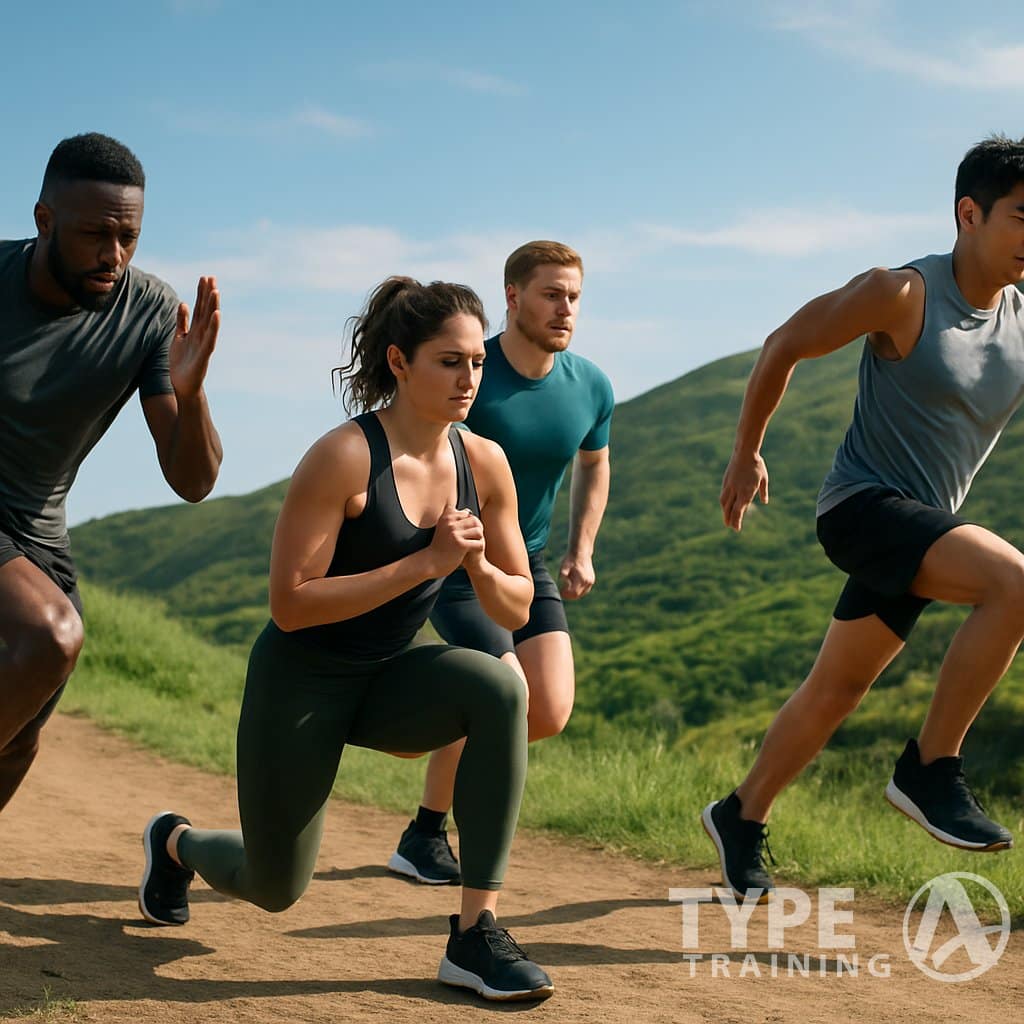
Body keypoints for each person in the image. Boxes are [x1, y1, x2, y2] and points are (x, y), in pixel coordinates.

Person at [138, 276, 555, 1002]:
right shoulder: (344, 455)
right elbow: (292, 605)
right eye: (449, 362)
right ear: (399, 362)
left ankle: (475, 933)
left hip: (388, 675)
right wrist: (424, 562)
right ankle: (174, 841)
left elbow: (517, 607)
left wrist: (477, 563)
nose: (469, 378)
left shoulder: (482, 462)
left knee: (500, 685)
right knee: (274, 887)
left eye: (476, 362)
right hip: (301, 680)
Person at [705, 135, 1024, 901]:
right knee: (1016, 584)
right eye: (1023, 217)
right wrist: (747, 452)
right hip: (863, 508)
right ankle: (929, 767)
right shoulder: (902, 294)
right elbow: (784, 343)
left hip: (927, 527)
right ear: (969, 214)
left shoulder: (1020, 319)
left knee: (837, 688)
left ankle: (740, 814)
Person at [0, 133, 222, 812]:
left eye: (129, 236)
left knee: (16, 740)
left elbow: (191, 481)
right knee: (50, 635)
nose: (114, 255)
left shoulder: (149, 312)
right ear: (45, 221)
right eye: (96, 234)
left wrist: (191, 391)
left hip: (39, 537)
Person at [386, 241, 614, 886]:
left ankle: (420, 822)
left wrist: (582, 546)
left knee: (549, 710)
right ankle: (432, 834)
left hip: (526, 561)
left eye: (573, 296)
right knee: (504, 697)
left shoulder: (591, 386)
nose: (565, 308)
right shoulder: (470, 377)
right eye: (550, 294)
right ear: (513, 297)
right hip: (450, 566)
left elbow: (594, 463)